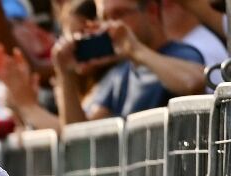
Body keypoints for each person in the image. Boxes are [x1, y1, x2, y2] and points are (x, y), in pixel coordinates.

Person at [54, 0, 206, 123]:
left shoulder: (181, 54)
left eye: (119, 14)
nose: (111, 25)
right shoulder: (119, 74)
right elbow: (80, 133)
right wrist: (65, 74)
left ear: (152, 11)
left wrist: (135, 49)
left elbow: (193, 82)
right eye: (105, 18)